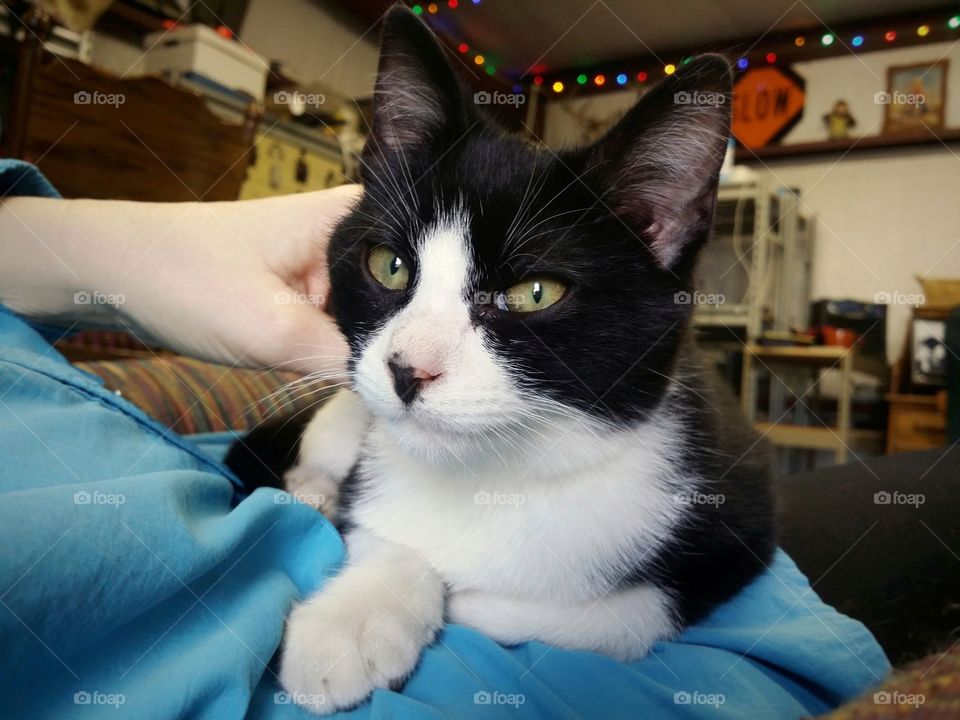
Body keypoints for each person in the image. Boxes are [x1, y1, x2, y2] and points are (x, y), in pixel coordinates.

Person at [0, 159, 888, 719]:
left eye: (531, 294)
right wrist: (395, 570)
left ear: (660, 231)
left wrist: (629, 618)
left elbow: (742, 526)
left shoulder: (679, 487)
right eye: (393, 269)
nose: (409, 358)